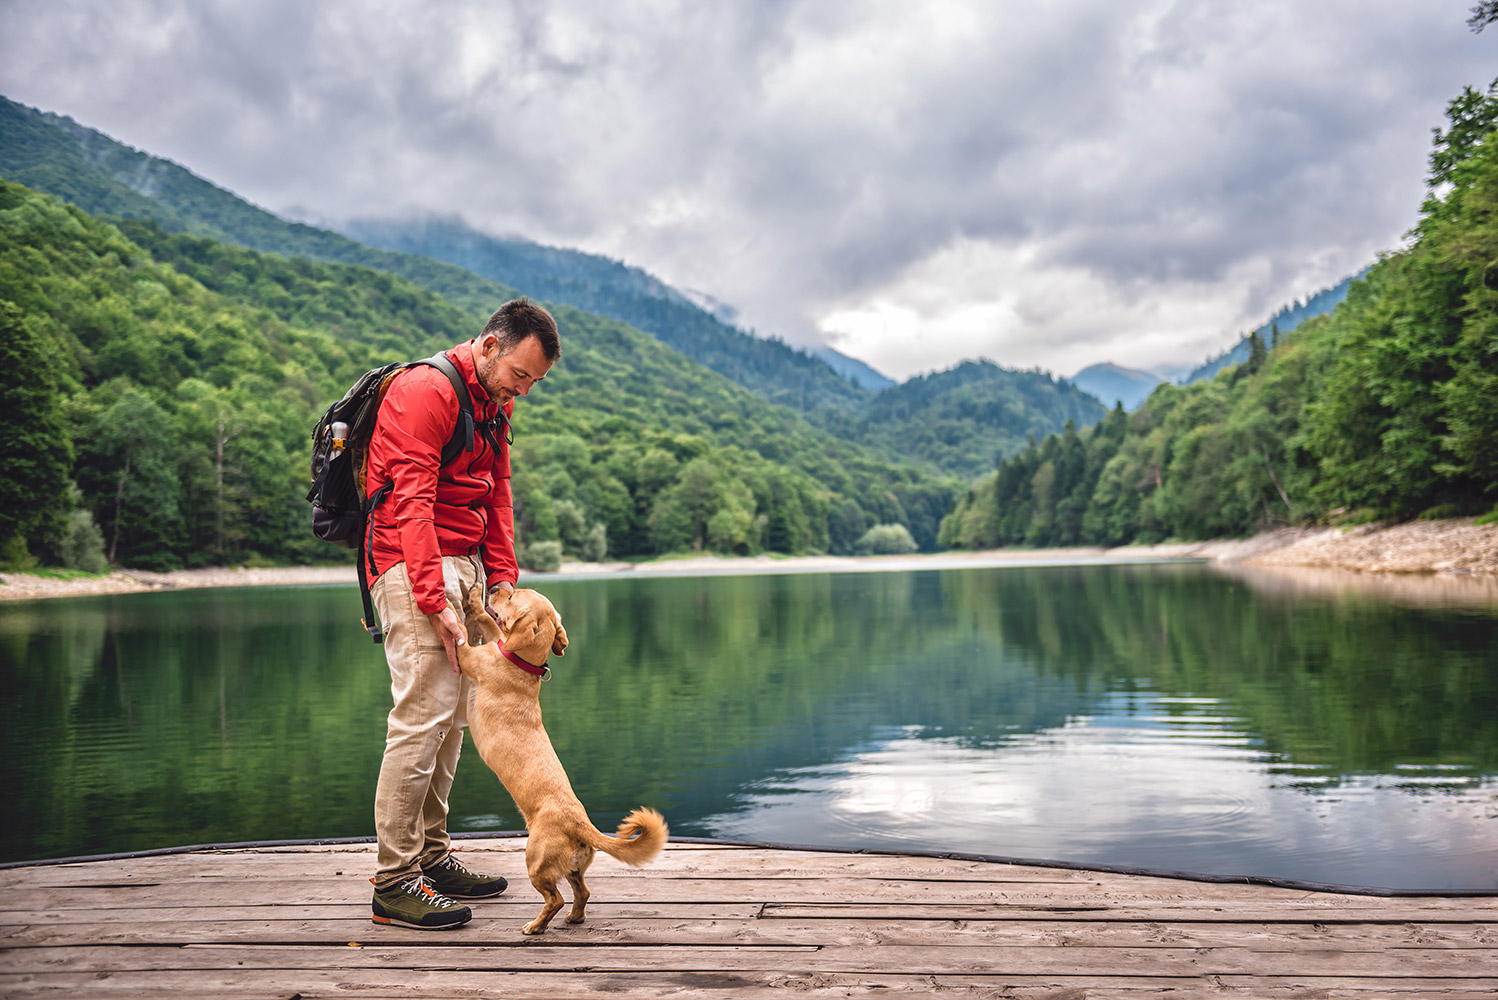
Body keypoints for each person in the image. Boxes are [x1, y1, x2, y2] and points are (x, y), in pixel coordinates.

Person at [364, 297, 560, 930]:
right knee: (421, 717)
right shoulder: (425, 391)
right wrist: (430, 596)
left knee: (452, 720)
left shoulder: (494, 405)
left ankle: (432, 857)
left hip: (466, 567)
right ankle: (395, 880)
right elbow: (411, 501)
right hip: (409, 562)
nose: (523, 390)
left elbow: (497, 498)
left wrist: (502, 577)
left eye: (535, 382)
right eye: (521, 375)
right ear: (489, 345)